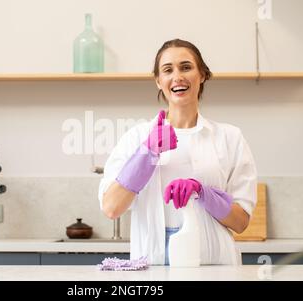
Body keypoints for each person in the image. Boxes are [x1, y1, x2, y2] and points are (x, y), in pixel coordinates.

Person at [98, 39, 257, 265]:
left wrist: (203, 192)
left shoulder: (230, 138)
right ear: (158, 81)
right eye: (167, 70)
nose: (177, 77)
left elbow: (240, 222)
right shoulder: (137, 138)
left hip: (215, 269)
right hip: (152, 268)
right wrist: (147, 153)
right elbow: (111, 207)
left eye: (186, 67)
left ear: (202, 75)